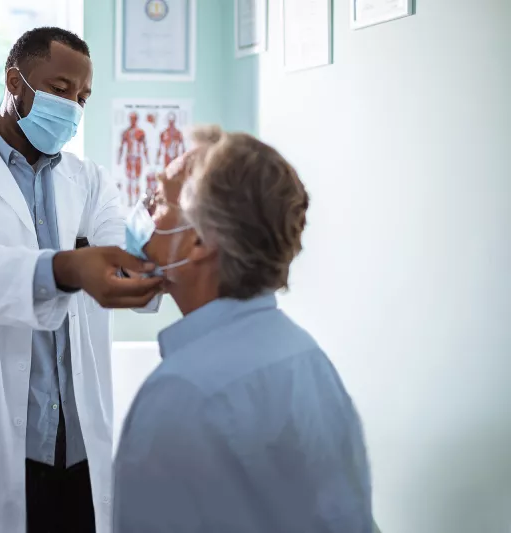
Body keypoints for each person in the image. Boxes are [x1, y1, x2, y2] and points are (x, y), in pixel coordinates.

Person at [0, 27, 162, 533]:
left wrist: (153, 231)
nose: (72, 106)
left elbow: (122, 261)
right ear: (15, 82)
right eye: (61, 88)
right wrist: (69, 265)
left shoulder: (90, 181)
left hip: (79, 435)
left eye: (83, 97)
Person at [114, 126, 373, 532]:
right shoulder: (306, 357)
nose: (143, 212)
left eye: (159, 200)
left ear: (200, 241)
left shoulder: (180, 393)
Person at [117, 111, 149, 207]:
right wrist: (119, 159)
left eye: (134, 119)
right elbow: (121, 146)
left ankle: (136, 201)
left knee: (137, 180)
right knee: (130, 180)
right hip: (129, 158)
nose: (132, 121)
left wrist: (147, 160)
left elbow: (145, 146)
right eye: (131, 119)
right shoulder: (126, 132)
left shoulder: (141, 132)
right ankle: (130, 201)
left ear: (137, 119)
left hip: (138, 158)